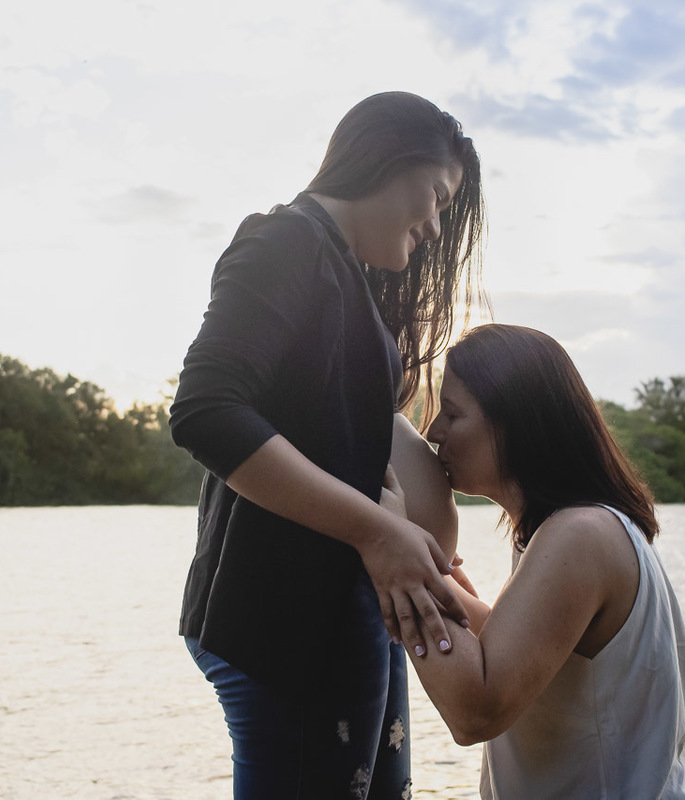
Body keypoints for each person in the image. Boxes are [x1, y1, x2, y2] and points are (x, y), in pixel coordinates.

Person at [169, 92, 485, 799]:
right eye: (435, 196)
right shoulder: (285, 242)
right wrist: (378, 533)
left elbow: (347, 428)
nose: (435, 228)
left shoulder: (343, 276)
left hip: (340, 622)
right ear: (386, 158)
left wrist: (408, 532)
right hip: (285, 629)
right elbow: (206, 410)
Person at [385, 324, 685, 799]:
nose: (434, 432)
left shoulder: (580, 535)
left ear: (516, 423)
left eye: (453, 414)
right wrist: (438, 577)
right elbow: (511, 646)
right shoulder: (561, 531)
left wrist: (400, 560)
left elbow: (475, 711)